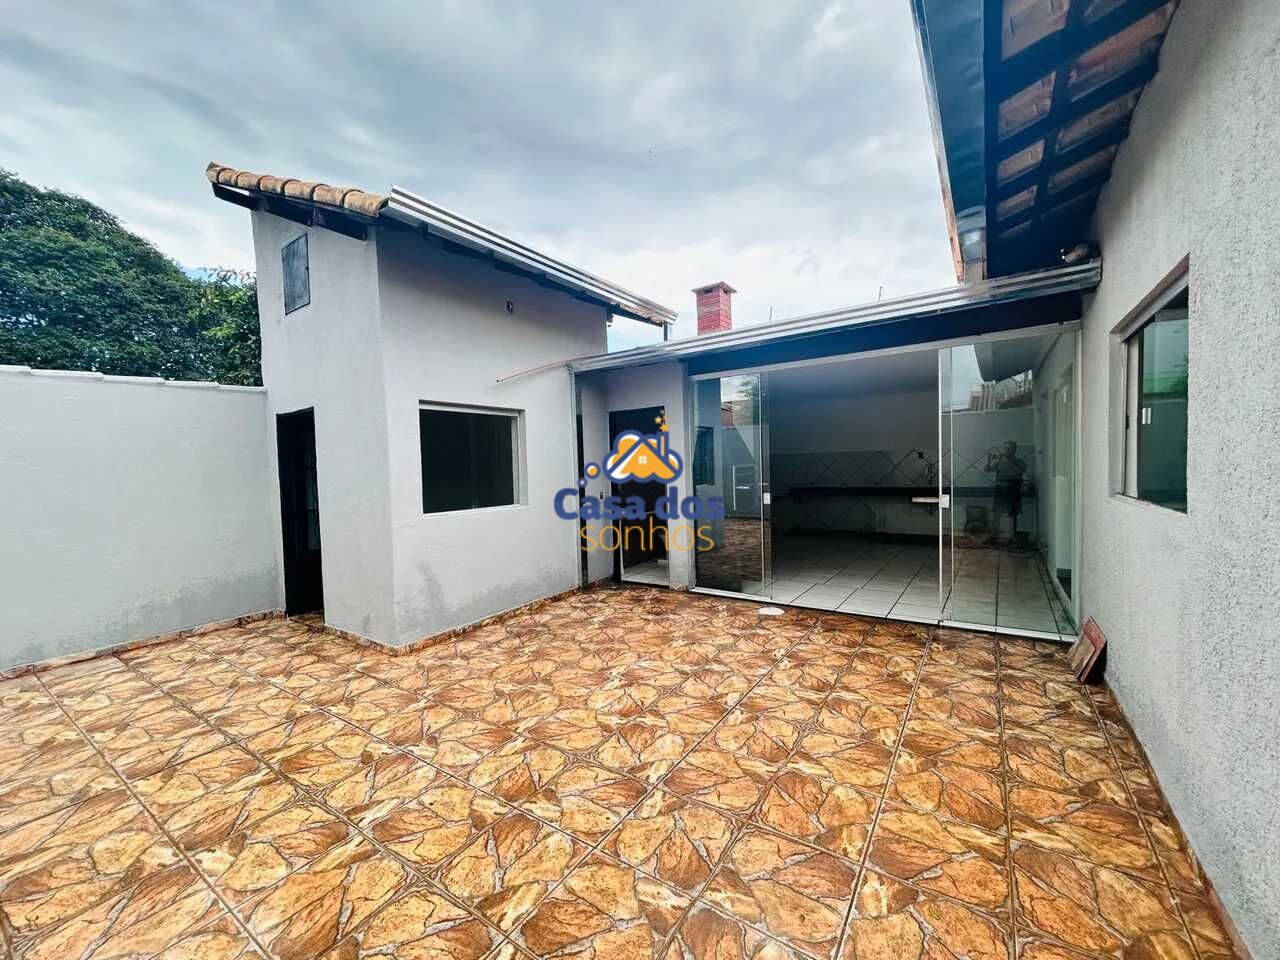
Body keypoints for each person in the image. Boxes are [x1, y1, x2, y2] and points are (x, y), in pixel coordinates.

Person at [987, 441, 1027, 542]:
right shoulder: (999, 462)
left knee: (1013, 514)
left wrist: (1005, 460)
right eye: (1005, 448)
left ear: (1014, 450)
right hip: (1000, 489)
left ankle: (1013, 536)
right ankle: (994, 535)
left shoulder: (1020, 462)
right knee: (997, 513)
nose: (1007, 450)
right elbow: (987, 469)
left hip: (1013, 490)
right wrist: (990, 460)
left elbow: (1019, 472)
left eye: (1009, 448)